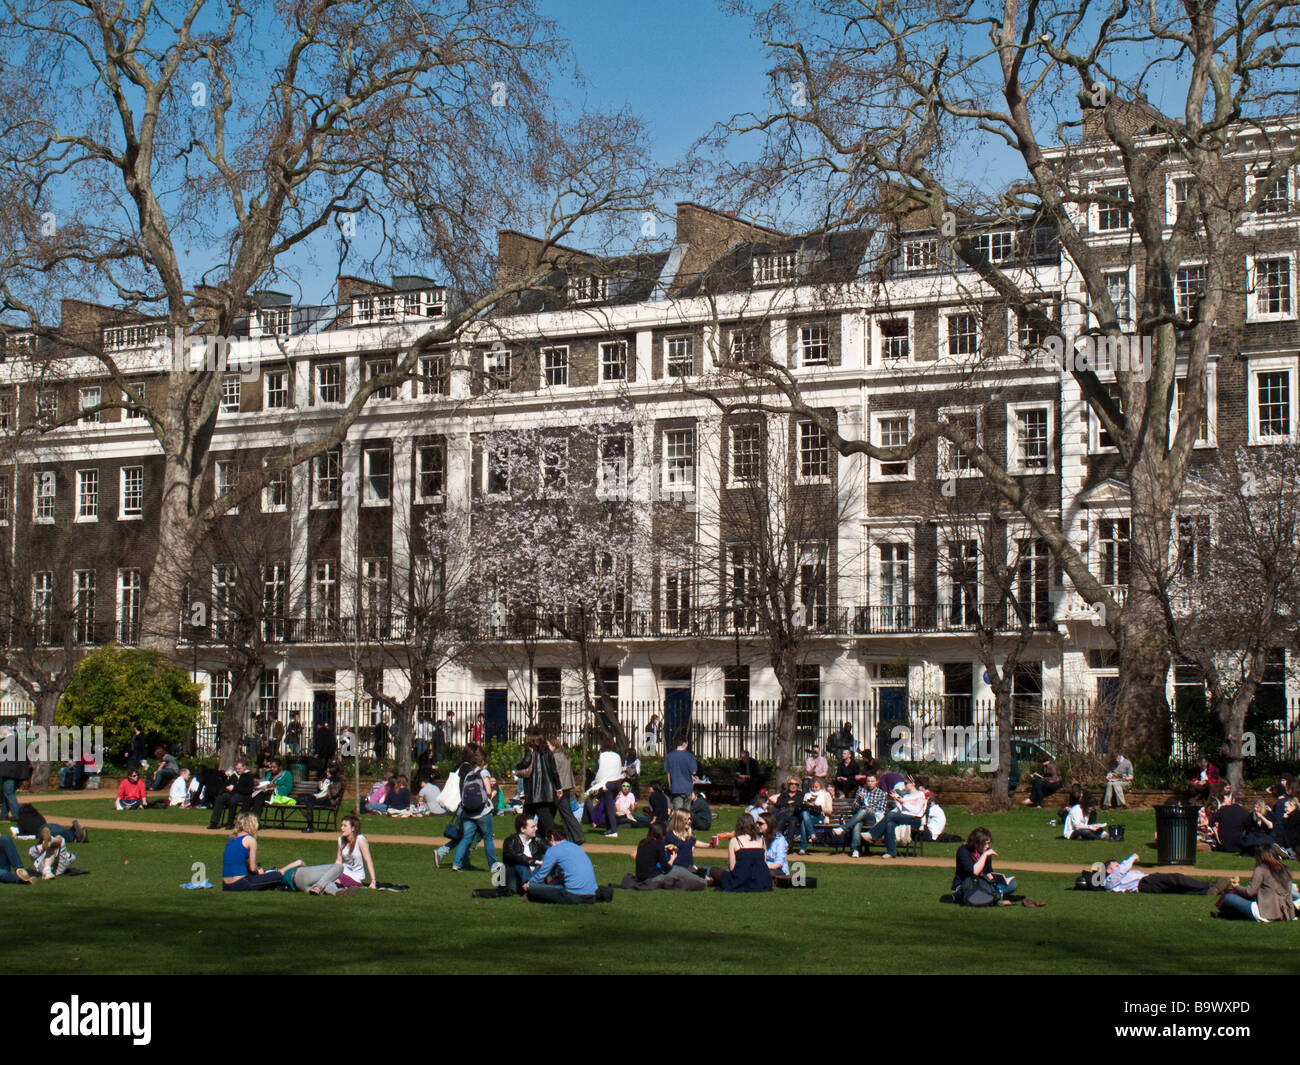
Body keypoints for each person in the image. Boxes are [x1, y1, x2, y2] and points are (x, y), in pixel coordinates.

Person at [1216, 845, 1300, 921]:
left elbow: (1249, 892)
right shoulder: (1285, 869)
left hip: (1266, 912)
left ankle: (1226, 915)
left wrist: (1237, 886)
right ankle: (1227, 915)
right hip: (1286, 912)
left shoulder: (1261, 869)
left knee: (1229, 897)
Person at [222, 814, 303, 892]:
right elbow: (252, 868)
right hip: (240, 883)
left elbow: (241, 862)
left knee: (261, 875)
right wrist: (258, 871)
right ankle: (297, 863)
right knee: (277, 875)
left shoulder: (232, 838)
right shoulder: (250, 840)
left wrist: (257, 870)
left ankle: (270, 875)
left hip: (226, 885)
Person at [450, 745, 497, 871]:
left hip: (468, 812)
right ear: (483, 762)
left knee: (466, 838)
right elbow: (488, 791)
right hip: (482, 811)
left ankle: (456, 863)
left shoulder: (468, 774)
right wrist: (493, 793)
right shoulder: (484, 772)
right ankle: (493, 865)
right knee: (488, 838)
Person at [525, 824, 599, 903]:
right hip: (592, 896)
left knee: (532, 887)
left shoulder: (553, 850)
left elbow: (541, 875)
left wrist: (529, 884)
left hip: (573, 895)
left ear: (552, 837)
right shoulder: (575, 847)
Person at [1103, 853, 1229, 895]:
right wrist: (1133, 857)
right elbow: (1121, 870)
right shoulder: (1110, 880)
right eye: (1116, 865)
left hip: (1147, 883)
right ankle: (1208, 885)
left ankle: (1207, 892)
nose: (1119, 866)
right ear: (1109, 870)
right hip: (1145, 883)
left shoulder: (1115, 880)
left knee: (1177, 889)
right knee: (1176, 878)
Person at [865, 776, 929, 858]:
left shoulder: (920, 795)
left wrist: (902, 802)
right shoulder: (906, 796)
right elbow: (901, 809)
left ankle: (873, 834)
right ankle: (891, 852)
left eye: (906, 783)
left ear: (913, 784)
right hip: (904, 817)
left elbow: (915, 810)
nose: (904, 785)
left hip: (915, 819)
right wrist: (897, 798)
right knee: (890, 824)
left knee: (891, 815)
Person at [707, 813, 772, 892]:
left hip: (741, 879)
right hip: (761, 880)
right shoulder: (761, 841)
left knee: (713, 870)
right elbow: (763, 863)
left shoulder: (735, 841)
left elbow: (732, 867)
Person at [950, 827, 1017, 898]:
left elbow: (988, 871)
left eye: (988, 843)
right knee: (976, 888)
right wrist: (984, 855)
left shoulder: (986, 851)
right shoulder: (963, 851)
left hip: (983, 883)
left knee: (1012, 884)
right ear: (976, 843)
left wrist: (994, 878)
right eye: (985, 844)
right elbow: (974, 872)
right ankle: (992, 895)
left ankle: (989, 894)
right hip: (966, 884)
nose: (987, 846)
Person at [835, 772, 889, 857]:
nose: (870, 783)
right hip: (860, 818)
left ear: (876, 782)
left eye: (872, 781)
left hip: (873, 818)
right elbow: (854, 807)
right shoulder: (861, 791)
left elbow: (881, 809)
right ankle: (855, 850)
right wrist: (859, 799)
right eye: (868, 781)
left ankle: (843, 828)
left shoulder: (881, 793)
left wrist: (870, 809)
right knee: (857, 823)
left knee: (863, 811)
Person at [518, 728, 559, 837]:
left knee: (528, 820)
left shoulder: (530, 750)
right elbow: (554, 772)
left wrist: (517, 767)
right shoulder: (548, 752)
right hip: (547, 792)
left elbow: (525, 762)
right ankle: (536, 841)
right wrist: (558, 788)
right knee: (537, 820)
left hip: (533, 793)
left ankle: (558, 840)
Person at [548, 736, 586, 844]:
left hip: (560, 788)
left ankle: (578, 836)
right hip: (567, 786)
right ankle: (570, 836)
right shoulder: (565, 755)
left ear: (553, 746)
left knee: (566, 814)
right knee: (565, 813)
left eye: (549, 745)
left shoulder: (554, 756)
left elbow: (554, 773)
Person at [585, 743, 626, 837]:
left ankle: (613, 830)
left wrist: (596, 782)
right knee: (608, 805)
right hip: (617, 783)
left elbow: (601, 770)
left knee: (609, 807)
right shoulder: (617, 756)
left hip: (608, 783)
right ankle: (609, 828)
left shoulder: (603, 756)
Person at [503, 813, 549, 893]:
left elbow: (551, 851)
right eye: (533, 827)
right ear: (523, 829)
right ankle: (530, 886)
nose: (536, 828)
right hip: (517, 878)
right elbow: (515, 856)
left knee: (551, 859)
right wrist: (534, 861)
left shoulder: (538, 839)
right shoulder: (510, 841)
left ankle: (530, 885)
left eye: (535, 826)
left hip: (535, 874)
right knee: (520, 863)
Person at [207, 759, 256, 828]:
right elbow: (226, 785)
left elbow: (248, 790)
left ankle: (230, 823)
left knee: (233, 799)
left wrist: (234, 788)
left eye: (239, 769)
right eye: (236, 769)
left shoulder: (248, 776)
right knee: (220, 798)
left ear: (244, 767)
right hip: (232, 793)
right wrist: (226, 789)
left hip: (243, 796)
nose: (238, 770)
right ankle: (214, 822)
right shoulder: (233, 776)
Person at [335, 814, 378, 890]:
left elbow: (368, 860)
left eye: (345, 826)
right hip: (343, 872)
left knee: (333, 881)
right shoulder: (341, 840)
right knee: (325, 875)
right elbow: (338, 861)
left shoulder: (360, 840)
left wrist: (373, 881)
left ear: (353, 828)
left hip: (355, 876)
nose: (342, 828)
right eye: (341, 825)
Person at [299, 763, 346, 832]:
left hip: (329, 801)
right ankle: (310, 824)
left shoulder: (337, 782)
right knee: (301, 798)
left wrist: (329, 786)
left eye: (327, 771)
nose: (326, 772)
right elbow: (321, 791)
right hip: (320, 798)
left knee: (308, 801)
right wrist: (319, 786)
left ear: (332, 772)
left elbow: (333, 794)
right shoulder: (326, 779)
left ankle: (310, 826)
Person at [797, 777, 834, 855]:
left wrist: (817, 806)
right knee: (804, 814)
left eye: (816, 787)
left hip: (819, 816)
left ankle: (803, 847)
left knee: (804, 820)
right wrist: (807, 804)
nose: (814, 789)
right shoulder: (807, 795)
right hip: (808, 815)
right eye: (812, 787)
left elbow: (829, 811)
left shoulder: (825, 794)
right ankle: (812, 834)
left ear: (820, 786)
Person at [664, 738, 698, 811]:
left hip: (676, 788)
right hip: (687, 787)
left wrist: (670, 785)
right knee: (687, 812)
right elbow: (694, 772)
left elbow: (668, 773)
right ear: (685, 743)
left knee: (678, 812)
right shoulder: (690, 756)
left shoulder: (669, 756)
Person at [1, 733, 28, 820]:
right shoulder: (22, 744)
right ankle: (3, 816)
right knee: (7, 794)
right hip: (18, 774)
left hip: (7, 773)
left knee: (9, 794)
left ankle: (18, 815)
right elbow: (25, 761)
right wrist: (24, 776)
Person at [756, 812, 790, 876]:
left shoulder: (779, 839)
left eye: (760, 824)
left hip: (778, 870)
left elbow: (778, 864)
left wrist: (761, 867)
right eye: (756, 823)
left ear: (769, 824)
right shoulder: (759, 838)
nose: (757, 825)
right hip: (763, 867)